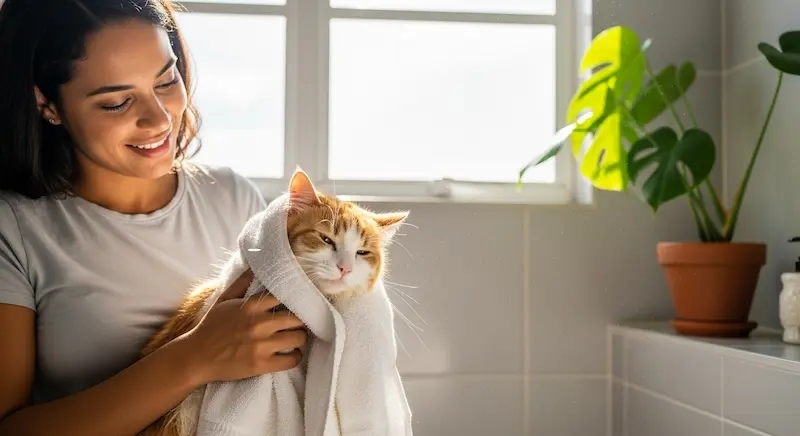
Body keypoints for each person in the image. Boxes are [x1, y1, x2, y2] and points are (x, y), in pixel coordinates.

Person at [0, 0, 309, 434]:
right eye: (117, 102)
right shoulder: (13, 228)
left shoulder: (234, 198)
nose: (159, 118)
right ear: (46, 102)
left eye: (167, 81)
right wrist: (194, 357)